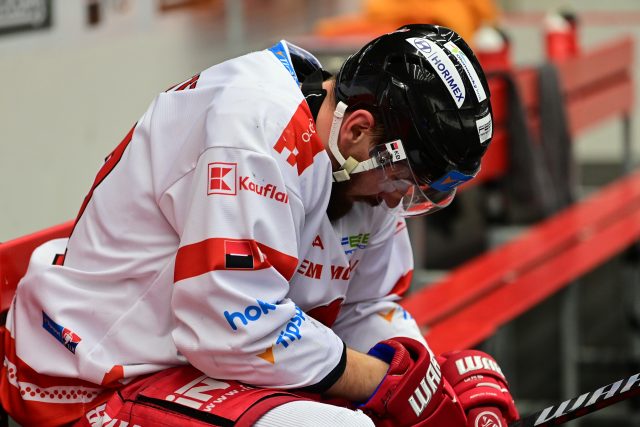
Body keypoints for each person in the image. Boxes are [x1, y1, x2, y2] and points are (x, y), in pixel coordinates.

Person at [0, 24, 518, 427]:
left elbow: (369, 305)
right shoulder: (254, 127)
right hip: (94, 376)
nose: (399, 198)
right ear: (360, 130)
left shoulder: (357, 161)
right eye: (405, 177)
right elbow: (232, 327)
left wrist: (435, 387)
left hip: (195, 365)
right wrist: (389, 384)